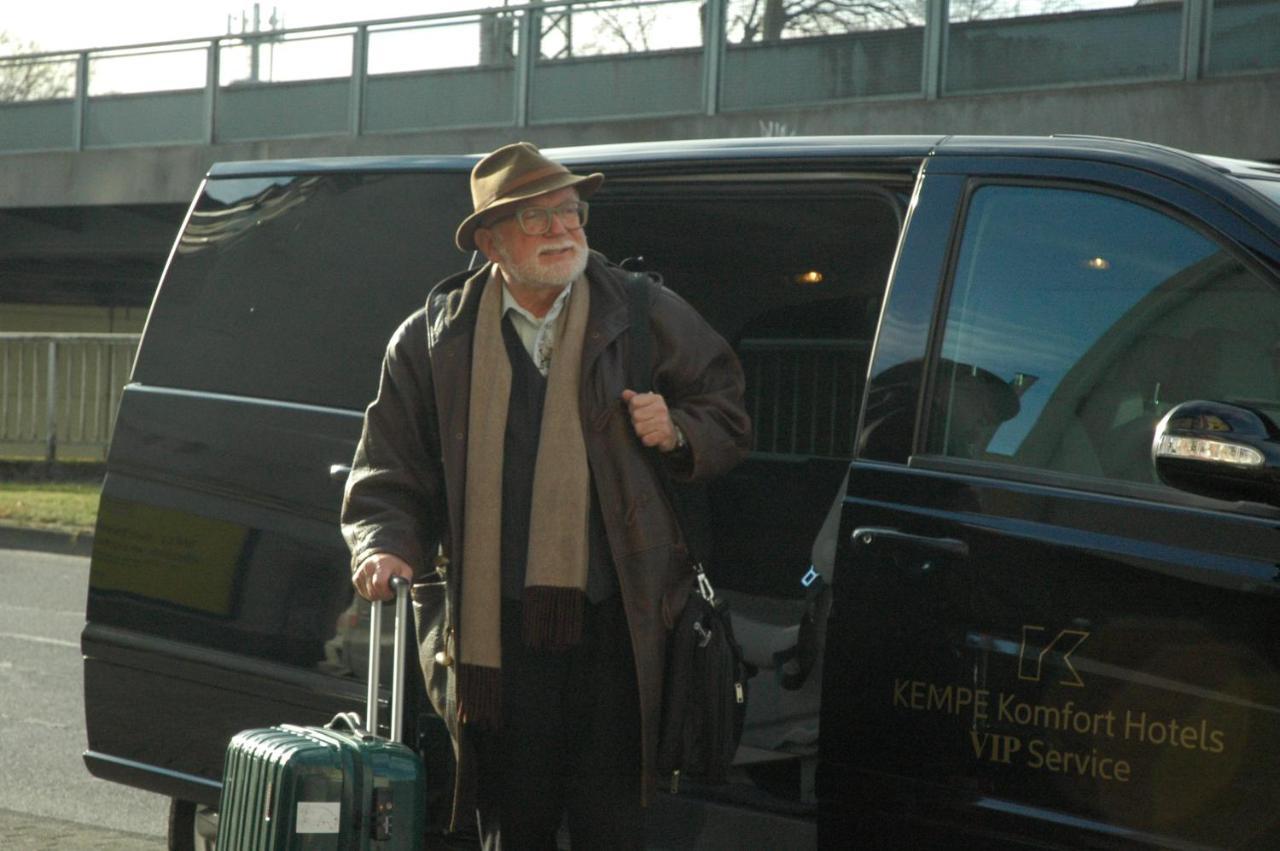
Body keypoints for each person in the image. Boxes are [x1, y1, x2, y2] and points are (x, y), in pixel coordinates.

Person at [341, 141, 751, 850]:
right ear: (493, 240)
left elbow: (729, 410)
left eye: (572, 211)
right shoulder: (433, 341)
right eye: (539, 218)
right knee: (513, 824)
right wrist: (381, 543)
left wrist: (678, 429)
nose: (564, 230)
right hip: (495, 636)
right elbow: (389, 471)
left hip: (618, 629)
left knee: (612, 825)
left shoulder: (641, 311)